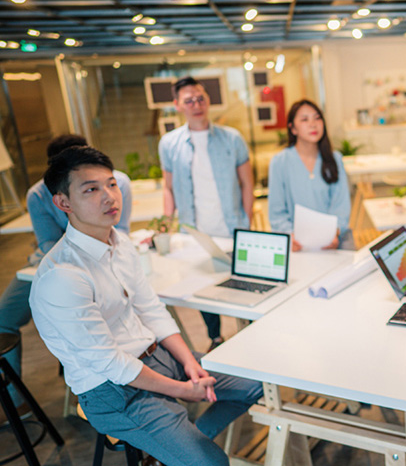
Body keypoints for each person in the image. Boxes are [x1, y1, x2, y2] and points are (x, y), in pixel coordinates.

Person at [29, 146, 262, 465]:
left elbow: (152, 309)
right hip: (115, 392)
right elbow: (112, 363)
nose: (110, 196)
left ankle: (175, 447)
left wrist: (189, 364)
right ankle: (182, 449)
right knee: (213, 463)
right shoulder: (63, 276)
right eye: (92, 189)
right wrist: (182, 390)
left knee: (256, 385)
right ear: (63, 203)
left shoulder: (120, 242)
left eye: (111, 184)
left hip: (160, 358)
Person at [0, 134, 131, 410]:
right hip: (49, 262)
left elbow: (119, 231)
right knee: (4, 318)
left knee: (117, 305)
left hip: (105, 256)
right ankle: (15, 401)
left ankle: (104, 383)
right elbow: (48, 243)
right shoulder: (38, 194)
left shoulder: (117, 182)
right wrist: (80, 245)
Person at [159, 76, 255, 350]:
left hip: (232, 228)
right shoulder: (169, 144)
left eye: (200, 98)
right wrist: (166, 224)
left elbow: (247, 183)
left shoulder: (232, 139)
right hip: (194, 232)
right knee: (202, 290)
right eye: (189, 100)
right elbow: (169, 188)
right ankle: (215, 337)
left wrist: (246, 223)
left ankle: (247, 337)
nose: (196, 105)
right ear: (178, 105)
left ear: (208, 100)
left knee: (240, 287)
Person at [268, 99, 351, 251]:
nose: (313, 124)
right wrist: (291, 235)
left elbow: (341, 205)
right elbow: (276, 212)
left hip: (333, 240)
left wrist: (334, 232)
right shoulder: (280, 163)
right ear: (293, 129)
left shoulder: (335, 158)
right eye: (305, 119)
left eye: (317, 118)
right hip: (297, 244)